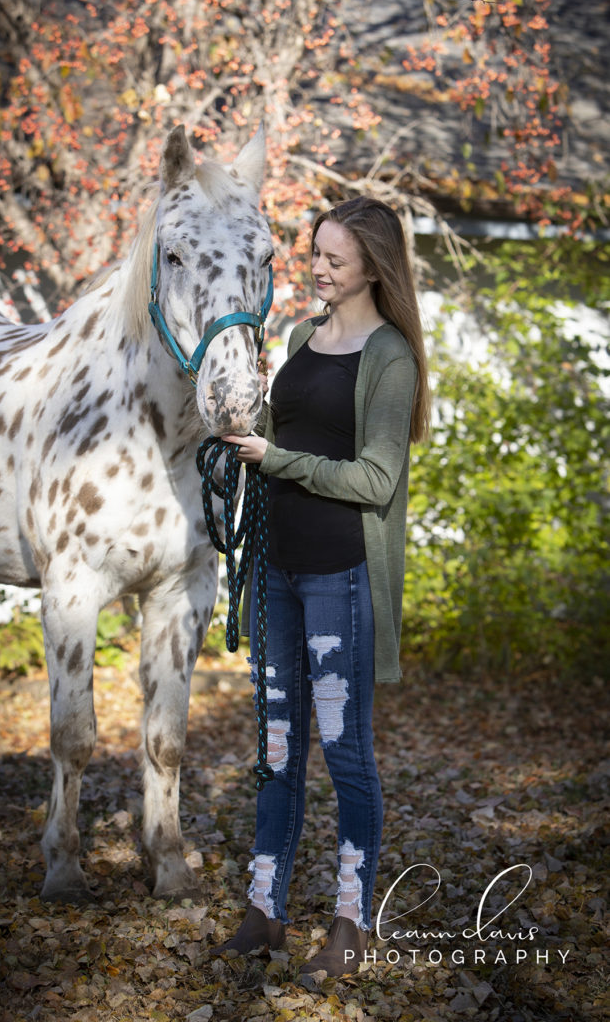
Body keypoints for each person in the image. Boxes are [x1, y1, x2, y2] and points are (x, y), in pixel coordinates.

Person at [215, 196, 431, 978]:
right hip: (275, 573)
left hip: (341, 576)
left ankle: (350, 921)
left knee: (344, 753)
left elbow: (375, 479)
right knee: (275, 751)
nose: (318, 269)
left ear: (373, 266)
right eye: (315, 255)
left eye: (334, 259)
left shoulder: (392, 358)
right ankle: (263, 910)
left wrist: (275, 461)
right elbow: (268, 436)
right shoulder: (302, 337)